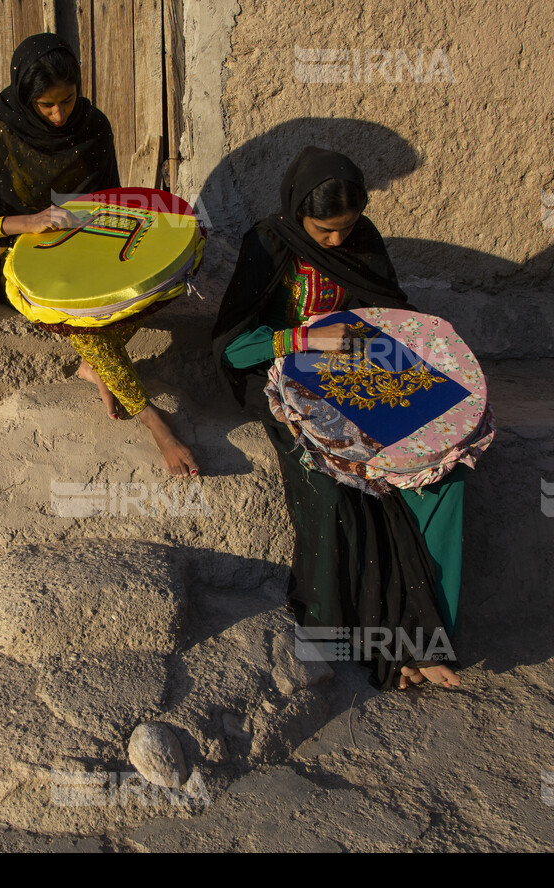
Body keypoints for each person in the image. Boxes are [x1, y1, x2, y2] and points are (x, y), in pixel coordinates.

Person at [212, 147, 464, 691]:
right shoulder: (269, 243)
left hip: (363, 374)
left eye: (346, 229)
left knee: (442, 470)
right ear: (297, 210)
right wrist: (305, 337)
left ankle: (422, 642)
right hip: (294, 387)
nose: (337, 242)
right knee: (336, 491)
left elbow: (390, 309)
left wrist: (394, 347)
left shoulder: (363, 238)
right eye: (325, 230)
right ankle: (338, 640)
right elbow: (232, 347)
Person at [0, 33, 198, 476]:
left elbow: (108, 202)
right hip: (20, 250)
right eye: (45, 106)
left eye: (67, 101)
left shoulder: (94, 125)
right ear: (26, 98)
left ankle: (95, 369)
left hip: (84, 245)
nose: (58, 115)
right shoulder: (5, 134)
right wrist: (28, 222)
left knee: (155, 287)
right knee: (83, 328)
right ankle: (154, 423)